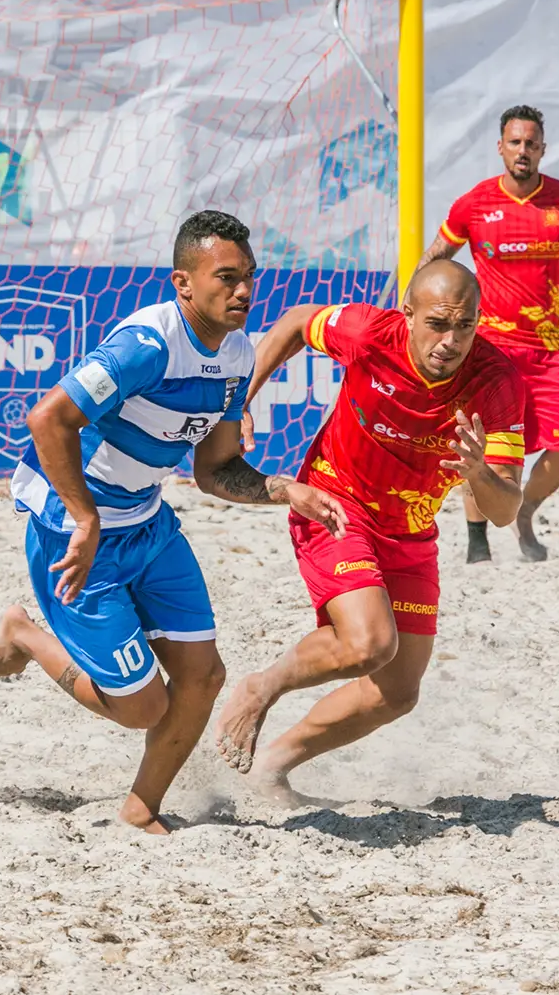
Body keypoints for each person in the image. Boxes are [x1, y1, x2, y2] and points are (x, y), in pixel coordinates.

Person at [0, 210, 348, 835]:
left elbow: (216, 470)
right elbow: (48, 419)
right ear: (183, 282)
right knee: (143, 705)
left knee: (204, 676)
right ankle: (24, 635)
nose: (243, 291)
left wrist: (284, 489)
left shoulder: (236, 357)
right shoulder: (146, 345)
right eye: (226, 277)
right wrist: (84, 516)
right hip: (74, 534)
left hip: (148, 524)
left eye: (250, 277)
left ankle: (140, 807)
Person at [213, 261, 527, 796]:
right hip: (335, 503)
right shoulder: (366, 332)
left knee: (398, 693)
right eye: (438, 324)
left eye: (466, 326)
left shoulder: (497, 382)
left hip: (411, 530)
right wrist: (241, 399)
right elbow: (294, 322)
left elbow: (503, 510)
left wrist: (477, 474)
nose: (451, 341)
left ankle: (273, 766)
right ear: (408, 315)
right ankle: (260, 687)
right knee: (370, 644)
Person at [417, 103, 559, 565]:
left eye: (531, 143)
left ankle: (525, 513)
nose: (523, 150)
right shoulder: (474, 204)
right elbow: (434, 260)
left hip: (553, 348)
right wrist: (414, 311)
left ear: (543, 149)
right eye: (515, 142)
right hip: (492, 349)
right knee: (485, 449)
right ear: (500, 147)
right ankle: (477, 538)